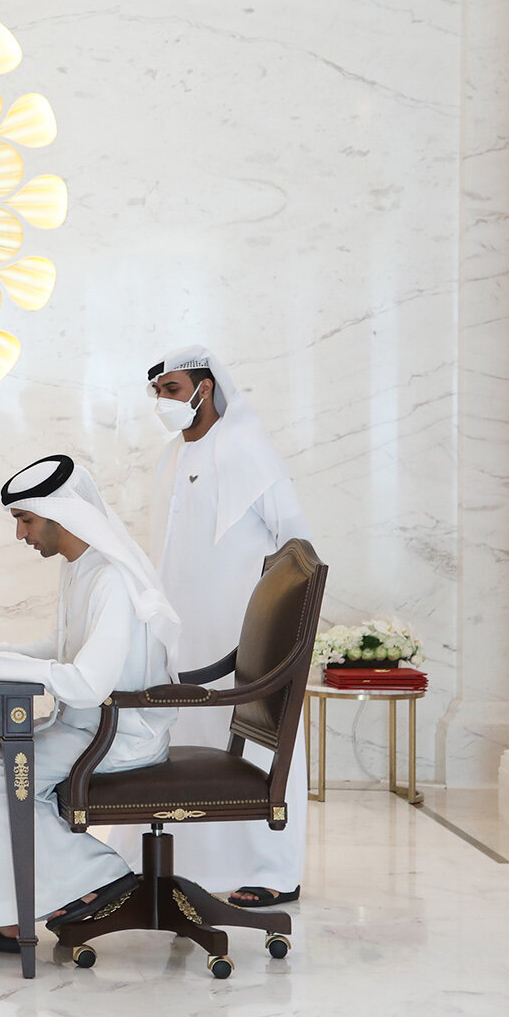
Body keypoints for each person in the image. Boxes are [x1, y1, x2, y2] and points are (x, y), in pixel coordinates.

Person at [0, 455, 182, 952]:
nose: (21, 535)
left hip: (117, 737)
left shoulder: (110, 579)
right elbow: (64, 650)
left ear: (59, 516)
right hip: (85, 728)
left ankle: (98, 875)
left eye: (26, 520)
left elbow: (85, 685)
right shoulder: (81, 568)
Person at [120, 344, 314, 907]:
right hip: (183, 630)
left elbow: (298, 546)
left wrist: (279, 632)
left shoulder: (246, 448)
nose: (162, 401)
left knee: (259, 742)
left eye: (172, 389)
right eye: (157, 392)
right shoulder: (170, 456)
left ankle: (274, 870)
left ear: (205, 388)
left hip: (243, 632)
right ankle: (184, 863)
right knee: (187, 741)